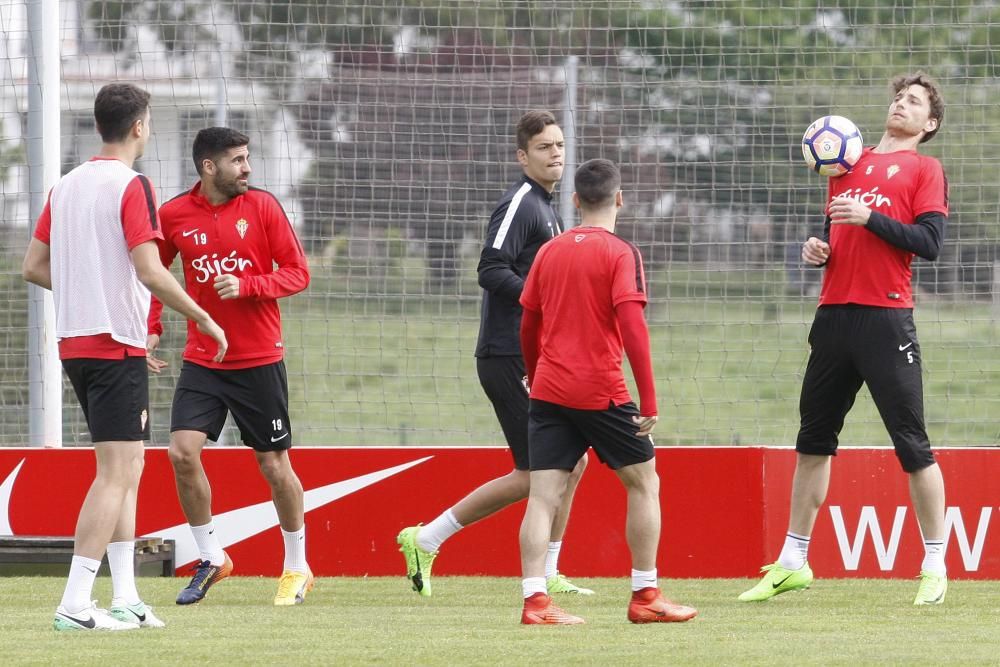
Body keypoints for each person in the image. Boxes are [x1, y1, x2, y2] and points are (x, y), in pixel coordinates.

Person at [22, 83, 228, 631]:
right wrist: (202, 317)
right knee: (117, 472)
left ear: (98, 126)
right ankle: (73, 603)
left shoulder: (64, 186)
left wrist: (95, 295)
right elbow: (150, 268)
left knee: (128, 469)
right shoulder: (132, 184)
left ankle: (127, 597)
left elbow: (34, 266)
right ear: (139, 126)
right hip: (112, 345)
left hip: (80, 343)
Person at [739, 72, 950, 606]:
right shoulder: (843, 164)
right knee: (813, 441)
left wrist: (871, 216)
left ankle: (934, 564)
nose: (902, 104)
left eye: (915, 102)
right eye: (899, 96)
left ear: (930, 124)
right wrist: (819, 249)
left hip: (886, 319)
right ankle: (792, 562)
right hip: (833, 318)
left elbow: (929, 243)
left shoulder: (925, 169)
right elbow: (835, 235)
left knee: (912, 443)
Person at [397, 111, 590, 597]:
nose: (557, 154)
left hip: (536, 357)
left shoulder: (549, 208)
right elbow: (489, 268)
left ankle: (549, 570)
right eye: (545, 147)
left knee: (571, 461)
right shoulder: (521, 203)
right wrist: (539, 302)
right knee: (536, 472)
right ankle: (426, 538)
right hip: (507, 355)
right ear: (522, 156)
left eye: (560, 145)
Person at [517, 158, 698, 625]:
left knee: (542, 497)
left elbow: (528, 322)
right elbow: (633, 327)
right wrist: (650, 400)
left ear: (575, 200)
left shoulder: (550, 251)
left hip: (550, 391)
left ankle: (535, 603)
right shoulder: (621, 253)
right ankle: (645, 596)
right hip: (602, 391)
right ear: (619, 199)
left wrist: (536, 376)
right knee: (644, 482)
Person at [146, 127, 312, 606]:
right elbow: (153, 274)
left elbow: (298, 272)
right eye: (238, 160)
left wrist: (249, 285)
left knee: (273, 464)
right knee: (180, 452)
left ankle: (297, 566)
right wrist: (152, 325)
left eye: (247, 158)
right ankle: (212, 556)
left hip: (259, 358)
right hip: (204, 359)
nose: (247, 168)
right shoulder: (175, 214)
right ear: (208, 167)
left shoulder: (263, 208)